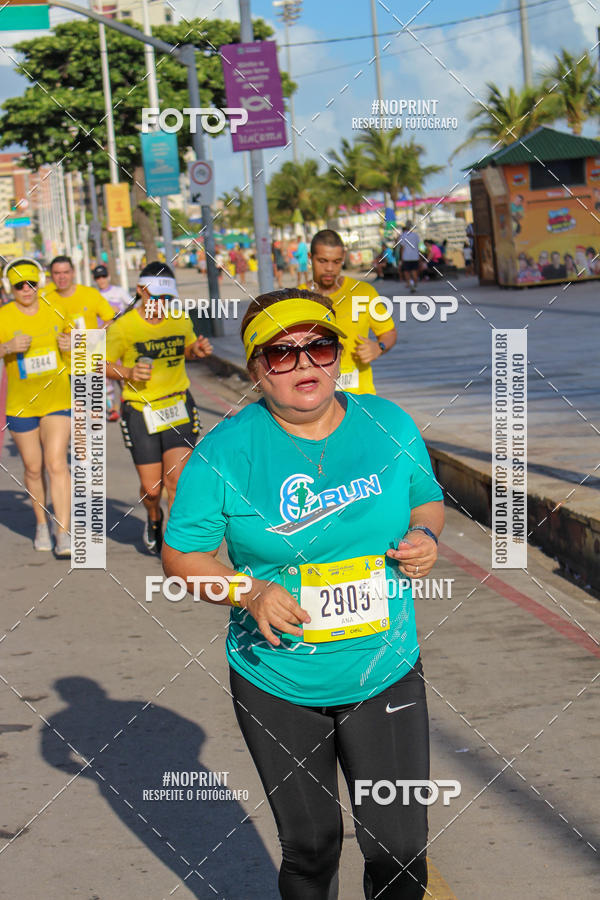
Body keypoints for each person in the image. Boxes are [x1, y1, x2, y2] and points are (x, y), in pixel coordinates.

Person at [163, 287, 445, 900]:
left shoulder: (387, 422)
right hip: (277, 682)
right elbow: (180, 552)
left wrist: (424, 535)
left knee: (399, 854)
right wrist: (248, 590)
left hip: (384, 672)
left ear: (338, 353)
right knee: (312, 849)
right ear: (256, 367)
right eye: (281, 354)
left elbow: (425, 497)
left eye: (318, 347)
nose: (304, 365)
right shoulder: (226, 451)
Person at [105, 262, 213, 555]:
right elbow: (101, 364)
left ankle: (177, 544)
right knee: (152, 489)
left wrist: (197, 351)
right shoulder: (123, 327)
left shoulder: (179, 319)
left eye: (167, 298)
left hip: (177, 405)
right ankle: (153, 517)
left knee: (176, 481)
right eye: (155, 296)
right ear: (140, 291)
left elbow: (188, 348)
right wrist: (127, 373)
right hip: (140, 411)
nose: (161, 304)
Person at [0, 258, 72, 556]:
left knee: (56, 463)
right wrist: (7, 348)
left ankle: (63, 532)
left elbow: (78, 347)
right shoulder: (3, 317)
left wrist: (71, 345)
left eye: (31, 283)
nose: (26, 289)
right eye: (19, 285)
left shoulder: (55, 308)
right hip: (21, 405)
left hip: (57, 399)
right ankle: (42, 523)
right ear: (10, 288)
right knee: (32, 467)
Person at [302, 229, 396, 395]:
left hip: (360, 399)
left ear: (343, 258)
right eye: (323, 261)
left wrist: (379, 347)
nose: (330, 268)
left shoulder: (363, 292)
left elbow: (388, 332)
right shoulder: (297, 299)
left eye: (336, 261)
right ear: (310, 258)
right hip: (314, 400)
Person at [93, 263, 132, 421]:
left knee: (122, 374)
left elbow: (133, 307)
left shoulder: (119, 292)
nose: (101, 280)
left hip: (119, 340)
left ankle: (127, 404)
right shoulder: (94, 296)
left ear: (108, 276)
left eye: (103, 276)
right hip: (101, 341)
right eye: (98, 277)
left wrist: (120, 315)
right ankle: (112, 409)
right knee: (104, 375)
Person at [399, 222, 421, 292]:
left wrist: (401, 258)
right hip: (415, 256)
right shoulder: (416, 235)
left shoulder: (403, 235)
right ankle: (415, 284)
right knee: (414, 271)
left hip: (406, 257)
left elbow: (402, 248)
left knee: (406, 271)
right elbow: (418, 246)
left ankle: (409, 283)